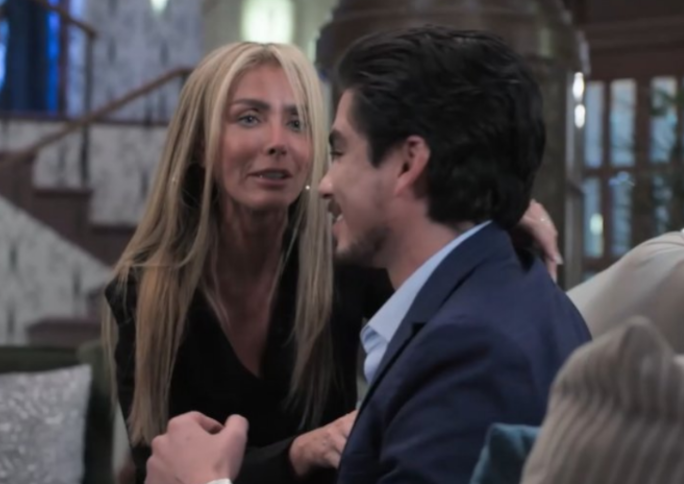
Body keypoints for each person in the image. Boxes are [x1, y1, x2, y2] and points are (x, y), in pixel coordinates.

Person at [104, 40, 564, 484]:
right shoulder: (146, 289)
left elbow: (446, 294)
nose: (278, 142)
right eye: (249, 118)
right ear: (200, 146)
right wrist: (298, 452)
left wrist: (492, 206)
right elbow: (164, 471)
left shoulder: (344, 258)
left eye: (298, 123)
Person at [319, 26, 590, 484]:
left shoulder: (469, 353)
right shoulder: (513, 288)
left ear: (408, 164)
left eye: (340, 151)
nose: (325, 184)